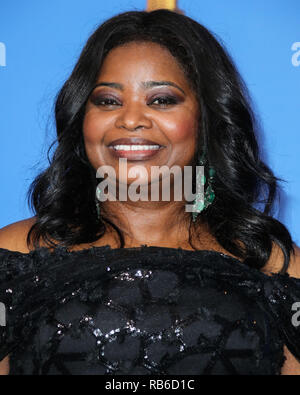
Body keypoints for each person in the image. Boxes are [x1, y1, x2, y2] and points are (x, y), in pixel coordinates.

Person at [0, 9, 300, 375]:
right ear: (82, 119)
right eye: (108, 101)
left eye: (161, 100)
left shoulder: (274, 265)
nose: (130, 119)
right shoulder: (16, 254)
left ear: (207, 120)